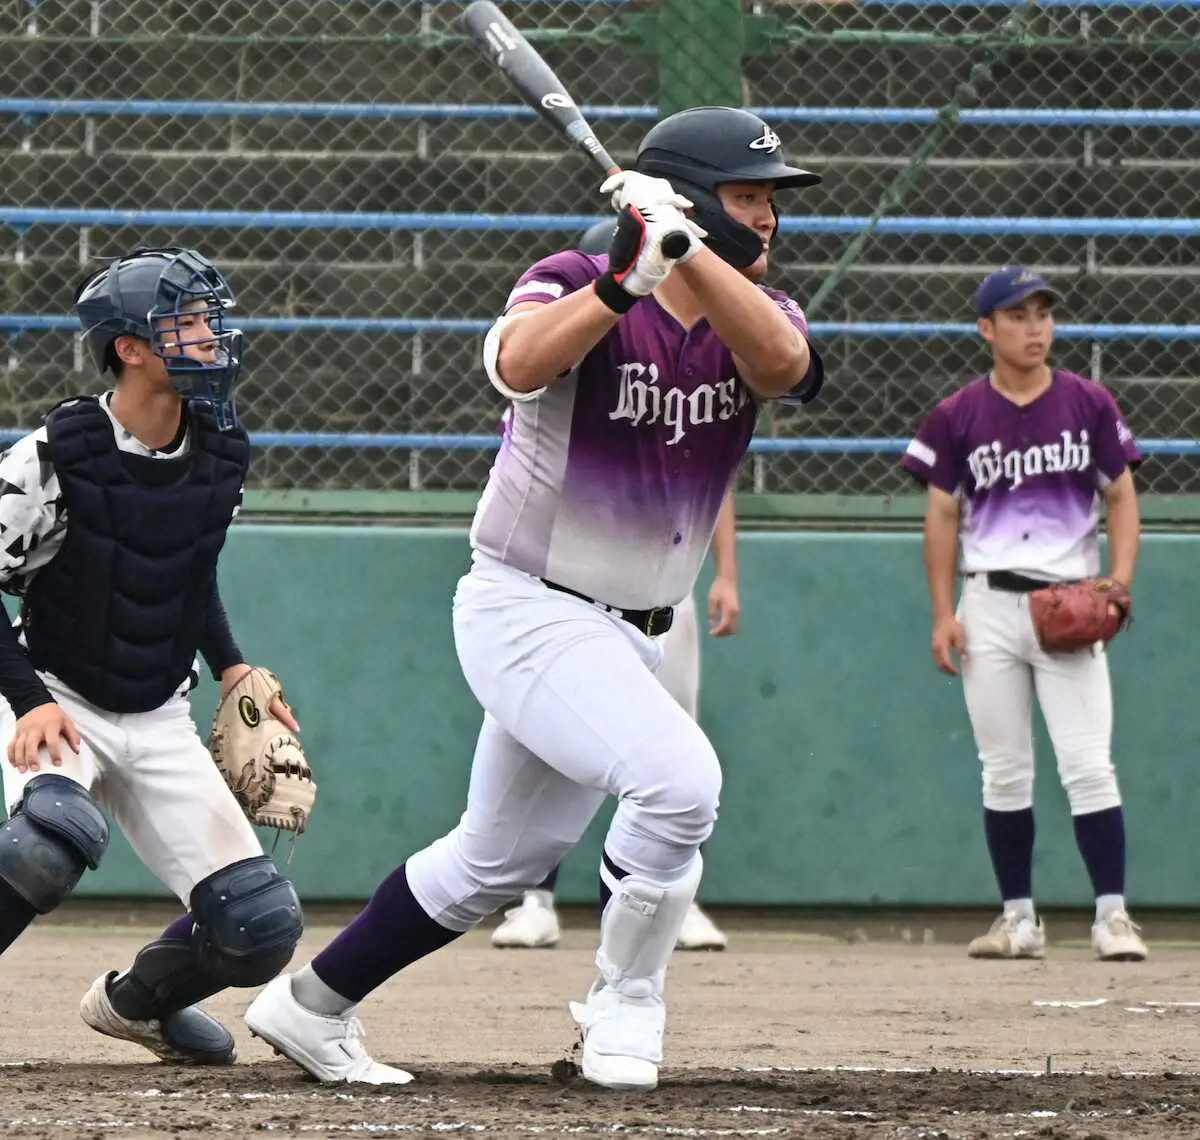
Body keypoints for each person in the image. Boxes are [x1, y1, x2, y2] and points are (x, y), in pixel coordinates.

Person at [244, 105, 824, 1091]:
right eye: (748, 196)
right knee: (681, 784)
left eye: (772, 199)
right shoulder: (570, 276)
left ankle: (309, 1006)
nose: (768, 217)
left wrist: (690, 253)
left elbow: (785, 367)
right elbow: (516, 365)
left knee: (492, 864)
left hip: (642, 624)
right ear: (689, 195)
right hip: (531, 606)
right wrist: (620, 280)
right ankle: (627, 1004)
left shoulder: (761, 315)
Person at [0, 246, 305, 1064]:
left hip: (158, 707)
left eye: (210, 320)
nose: (212, 336)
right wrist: (28, 698)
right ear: (130, 349)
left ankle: (135, 1006)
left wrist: (233, 663)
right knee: (44, 842)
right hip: (57, 691)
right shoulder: (55, 456)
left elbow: (180, 568)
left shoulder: (218, 448)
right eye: (190, 322)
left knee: (257, 925)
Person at [490, 219, 739, 955]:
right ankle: (536, 898)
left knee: (673, 747)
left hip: (664, 589)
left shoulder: (698, 358)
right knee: (559, 754)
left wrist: (727, 572)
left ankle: (659, 900)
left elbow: (717, 479)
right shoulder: (574, 362)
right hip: (568, 592)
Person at [900, 265, 1147, 963]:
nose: (1035, 327)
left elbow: (1122, 494)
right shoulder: (957, 415)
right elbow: (942, 514)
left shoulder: (1088, 403)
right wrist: (943, 611)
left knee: (1087, 764)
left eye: (1043, 313)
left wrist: (1119, 580)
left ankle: (1112, 916)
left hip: (1068, 601)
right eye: (1018, 315)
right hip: (990, 603)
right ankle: (1018, 919)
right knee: (1004, 769)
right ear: (986, 328)